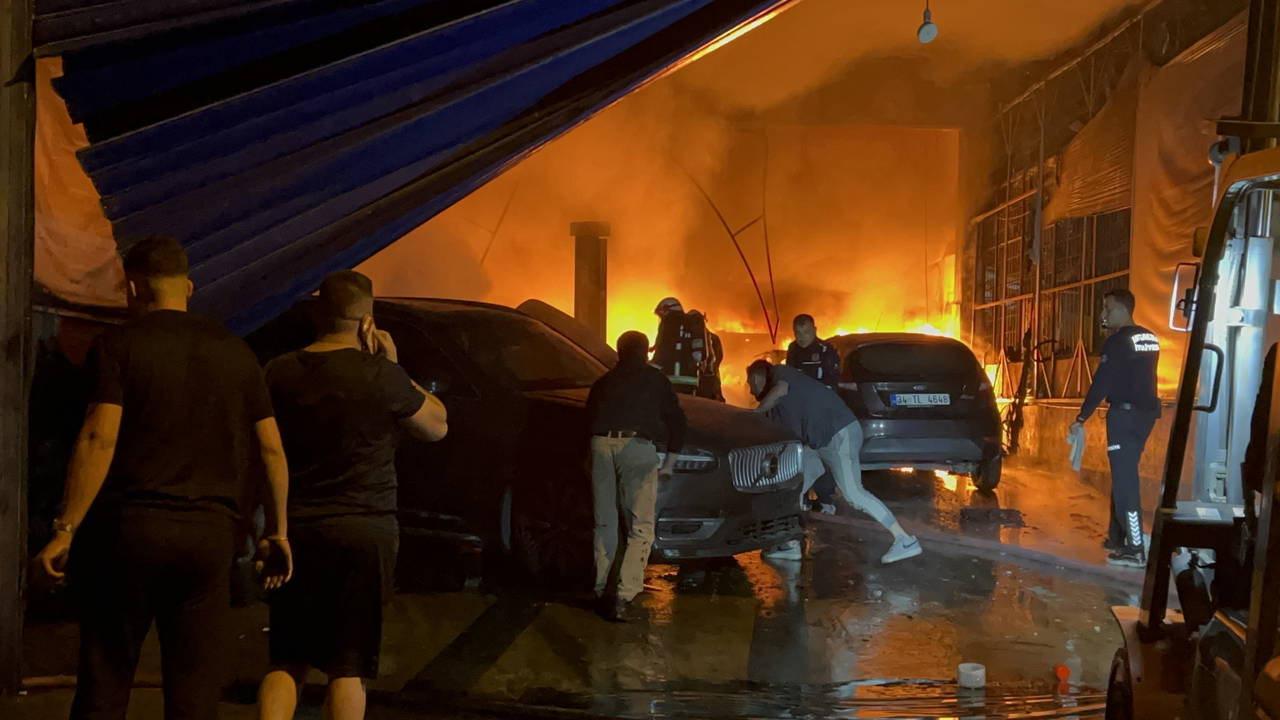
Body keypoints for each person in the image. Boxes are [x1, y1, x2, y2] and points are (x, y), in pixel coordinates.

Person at [34, 235, 293, 720]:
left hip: (129, 531)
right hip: (208, 537)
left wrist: (65, 529)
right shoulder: (237, 353)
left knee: (106, 679)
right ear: (188, 287)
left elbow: (99, 437)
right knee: (194, 690)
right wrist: (277, 531)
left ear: (134, 287)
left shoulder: (118, 346)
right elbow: (271, 449)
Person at [257, 271, 448, 720]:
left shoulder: (279, 372)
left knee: (287, 658)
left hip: (297, 530)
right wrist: (395, 366)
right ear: (367, 322)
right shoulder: (381, 376)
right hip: (365, 530)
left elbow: (262, 450)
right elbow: (436, 426)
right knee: (348, 667)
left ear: (318, 314)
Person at [748, 359, 921, 564]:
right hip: (817, 444)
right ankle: (790, 543)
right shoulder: (774, 409)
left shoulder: (780, 373)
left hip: (839, 433)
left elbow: (780, 391)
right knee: (794, 486)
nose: (750, 390)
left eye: (750, 383)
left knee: (854, 494)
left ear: (757, 377)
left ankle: (904, 540)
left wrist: (753, 415)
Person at [587, 330, 686, 622]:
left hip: (600, 446)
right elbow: (677, 421)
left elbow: (587, 419)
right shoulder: (655, 380)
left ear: (619, 352)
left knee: (604, 522)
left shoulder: (603, 382)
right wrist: (670, 461)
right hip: (636, 447)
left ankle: (601, 589)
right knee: (641, 526)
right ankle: (624, 594)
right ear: (645, 352)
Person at [1069, 288, 1160, 568]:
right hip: (1145, 415)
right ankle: (1117, 538)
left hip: (1124, 416)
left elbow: (1102, 382)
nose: (1103, 314)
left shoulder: (1117, 342)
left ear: (1122, 309)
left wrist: (1082, 417)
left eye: (1107, 308)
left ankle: (1135, 548)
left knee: (1125, 483)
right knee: (1123, 474)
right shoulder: (1149, 338)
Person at [651, 297, 705, 395]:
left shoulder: (668, 324)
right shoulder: (691, 323)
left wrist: (650, 368)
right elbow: (700, 356)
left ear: (667, 310)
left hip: (669, 381)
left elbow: (662, 352)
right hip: (690, 381)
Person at [785, 314, 841, 390]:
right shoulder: (793, 348)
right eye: (798, 333)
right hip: (798, 391)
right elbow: (789, 375)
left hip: (820, 392)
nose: (802, 337)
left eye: (806, 332)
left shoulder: (826, 349)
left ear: (814, 330)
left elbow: (833, 380)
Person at [688, 310, 725, 402]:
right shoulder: (714, 338)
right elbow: (719, 357)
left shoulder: (689, 339)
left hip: (697, 386)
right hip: (713, 386)